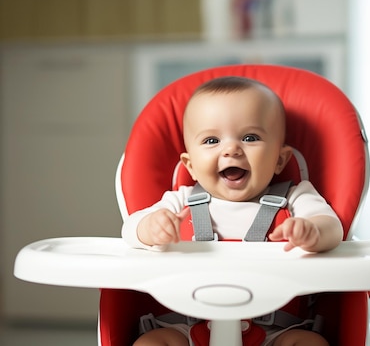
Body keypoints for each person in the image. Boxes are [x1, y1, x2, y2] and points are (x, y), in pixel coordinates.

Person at [122, 76, 343, 346]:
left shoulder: (295, 196)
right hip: (187, 328)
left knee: (308, 343)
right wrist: (150, 228)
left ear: (280, 159)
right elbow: (130, 229)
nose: (231, 149)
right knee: (151, 343)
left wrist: (312, 231)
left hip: (276, 331)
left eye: (250, 137)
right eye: (212, 140)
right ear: (190, 165)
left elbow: (333, 229)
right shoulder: (180, 200)